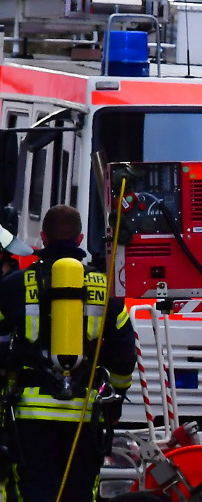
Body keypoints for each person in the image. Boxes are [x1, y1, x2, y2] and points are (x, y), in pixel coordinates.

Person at [0, 205, 136, 502]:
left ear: (43, 238)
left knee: (35, 488)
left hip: (29, 414)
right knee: (80, 491)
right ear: (80, 239)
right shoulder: (107, 290)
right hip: (85, 414)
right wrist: (115, 403)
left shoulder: (14, 286)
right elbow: (125, 357)